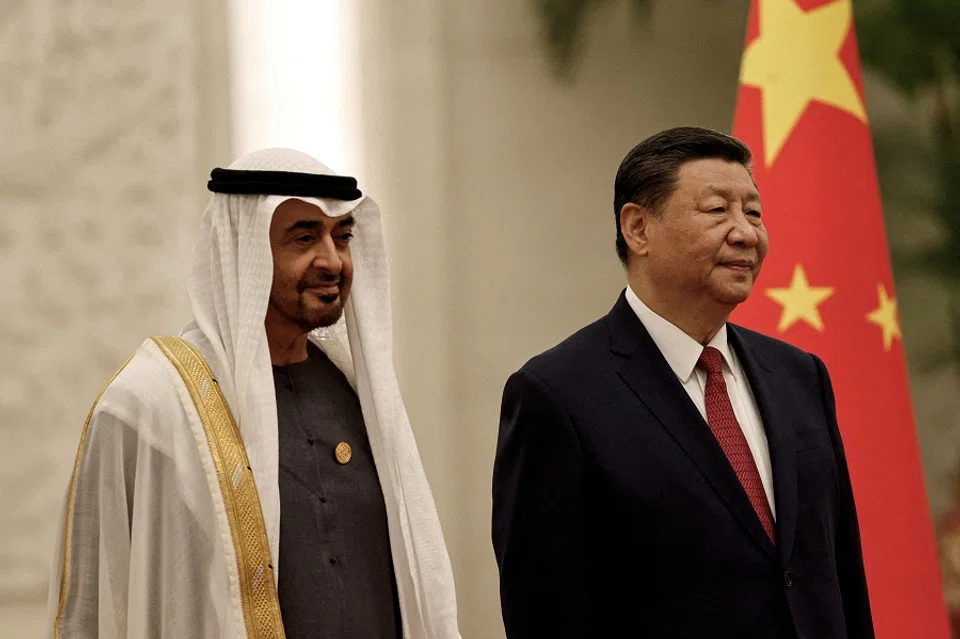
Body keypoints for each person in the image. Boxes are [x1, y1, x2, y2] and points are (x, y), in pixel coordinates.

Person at [47, 148, 460, 638]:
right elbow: (97, 602)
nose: (333, 260)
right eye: (304, 238)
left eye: (342, 236)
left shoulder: (354, 393)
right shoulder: (150, 404)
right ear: (243, 253)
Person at [492, 126, 874, 638]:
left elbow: (840, 572)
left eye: (753, 212)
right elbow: (545, 613)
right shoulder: (557, 396)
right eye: (717, 210)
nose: (746, 234)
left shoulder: (800, 374)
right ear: (638, 229)